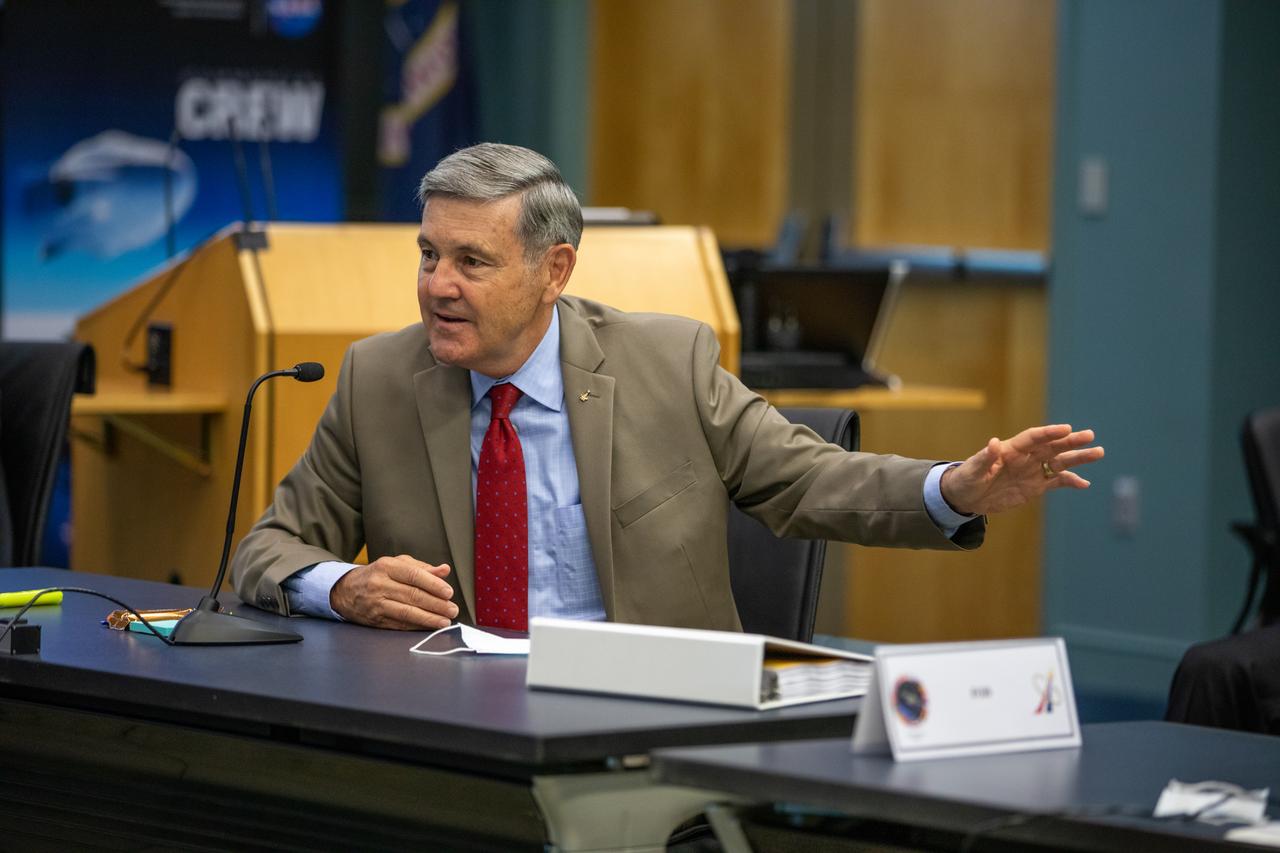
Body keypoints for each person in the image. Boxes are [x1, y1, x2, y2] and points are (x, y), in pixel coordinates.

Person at [230, 143, 1104, 632]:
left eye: (471, 261)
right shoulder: (379, 377)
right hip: (450, 726)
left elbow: (808, 479)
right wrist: (340, 586)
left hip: (639, 715)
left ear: (554, 270)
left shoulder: (666, 361)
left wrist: (953, 489)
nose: (437, 285)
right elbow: (266, 549)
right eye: (428, 254)